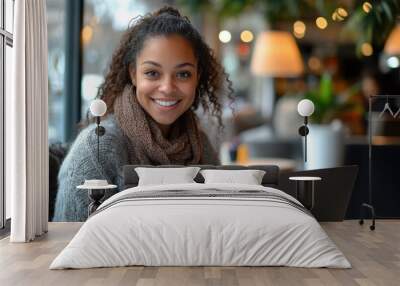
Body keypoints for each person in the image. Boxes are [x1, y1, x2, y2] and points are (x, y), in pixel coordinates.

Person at [53, 7, 233, 221]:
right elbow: (70, 243)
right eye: (152, 73)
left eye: (183, 74)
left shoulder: (201, 144)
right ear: (133, 74)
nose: (167, 87)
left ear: (197, 77)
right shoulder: (97, 148)